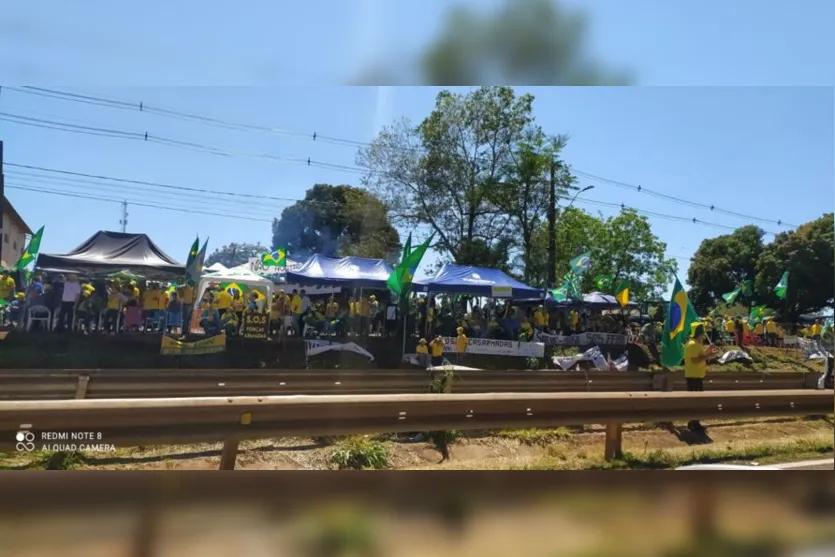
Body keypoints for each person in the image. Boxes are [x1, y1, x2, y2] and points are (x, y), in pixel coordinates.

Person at [684, 322, 719, 432]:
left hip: (696, 375)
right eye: (702, 333)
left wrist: (709, 350)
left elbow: (701, 356)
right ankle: (694, 424)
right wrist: (709, 354)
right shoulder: (693, 344)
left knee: (696, 401)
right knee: (695, 401)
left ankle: (694, 422)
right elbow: (695, 360)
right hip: (694, 376)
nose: (703, 335)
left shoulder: (695, 343)